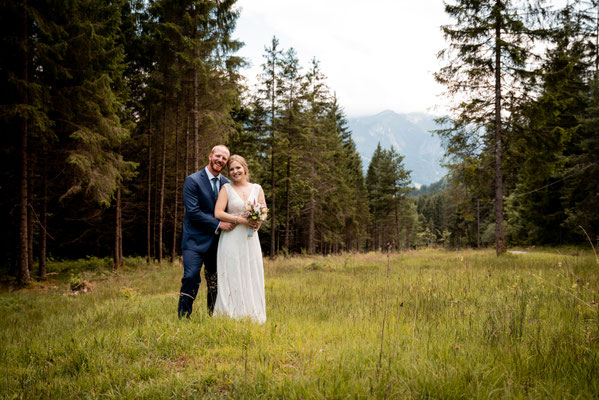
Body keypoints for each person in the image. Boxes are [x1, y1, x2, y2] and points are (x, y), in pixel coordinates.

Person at [177, 145, 235, 319]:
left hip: (218, 242)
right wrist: (218, 224)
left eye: (224, 158)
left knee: (215, 281)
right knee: (191, 276)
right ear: (210, 156)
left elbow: (232, 209)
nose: (220, 160)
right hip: (194, 241)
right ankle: (183, 316)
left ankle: (213, 315)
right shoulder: (193, 180)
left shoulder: (227, 184)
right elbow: (193, 212)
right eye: (218, 156)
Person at [213, 155, 266, 323]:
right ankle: (230, 314)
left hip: (250, 239)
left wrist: (258, 221)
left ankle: (252, 314)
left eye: (238, 168)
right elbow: (218, 213)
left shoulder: (257, 188)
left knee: (251, 273)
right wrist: (239, 219)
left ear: (245, 168)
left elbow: (263, 210)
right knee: (232, 272)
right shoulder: (226, 189)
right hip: (231, 237)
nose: (235, 171)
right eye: (232, 169)